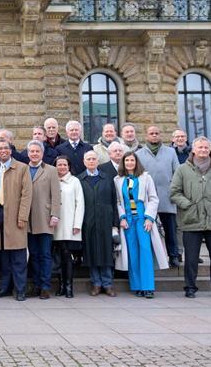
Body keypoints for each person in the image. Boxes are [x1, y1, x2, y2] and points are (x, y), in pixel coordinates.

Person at [170, 136, 211, 299]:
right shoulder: (182, 169)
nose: (203, 150)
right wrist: (188, 205)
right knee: (191, 258)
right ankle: (190, 287)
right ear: (193, 149)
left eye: (206, 148)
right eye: (200, 148)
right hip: (191, 220)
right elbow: (174, 192)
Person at [115, 151, 168, 299]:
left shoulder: (146, 177)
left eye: (132, 160)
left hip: (142, 218)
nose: (130, 163)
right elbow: (118, 202)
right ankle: (137, 286)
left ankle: (148, 286)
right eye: (127, 161)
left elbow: (153, 199)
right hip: (128, 220)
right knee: (132, 252)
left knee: (145, 250)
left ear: (136, 162)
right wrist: (122, 218)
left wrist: (149, 218)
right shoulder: (118, 180)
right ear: (123, 163)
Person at [0, 141, 32, 302]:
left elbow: (27, 195)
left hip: (15, 215)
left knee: (18, 255)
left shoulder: (22, 168)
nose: (3, 151)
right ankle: (5, 288)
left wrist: (22, 217)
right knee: (4, 256)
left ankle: (20, 289)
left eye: (5, 148)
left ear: (11, 151)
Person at [136, 126, 181, 267]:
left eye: (157, 133)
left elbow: (178, 174)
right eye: (151, 133)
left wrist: (175, 191)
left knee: (171, 229)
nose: (154, 135)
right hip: (147, 199)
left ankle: (173, 255)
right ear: (146, 136)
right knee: (147, 229)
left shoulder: (171, 152)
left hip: (167, 196)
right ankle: (150, 256)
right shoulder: (138, 154)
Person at [78, 151, 119, 297]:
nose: (91, 161)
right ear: (84, 161)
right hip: (87, 222)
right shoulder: (79, 180)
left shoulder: (107, 178)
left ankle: (107, 284)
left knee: (106, 253)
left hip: (105, 221)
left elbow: (114, 202)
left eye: (94, 159)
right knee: (91, 253)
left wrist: (115, 223)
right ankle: (96, 283)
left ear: (98, 161)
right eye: (88, 159)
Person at [26, 140, 61, 299]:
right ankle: (36, 284)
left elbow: (56, 195)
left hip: (45, 218)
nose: (34, 154)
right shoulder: (23, 170)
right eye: (31, 151)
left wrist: (55, 214)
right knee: (33, 254)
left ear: (41, 153)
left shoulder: (51, 170)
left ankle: (46, 286)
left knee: (45, 254)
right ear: (28, 153)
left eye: (37, 151)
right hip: (27, 220)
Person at [52, 156, 84, 298]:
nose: (62, 167)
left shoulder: (75, 181)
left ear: (69, 166)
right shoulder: (52, 180)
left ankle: (69, 286)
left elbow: (80, 204)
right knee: (57, 257)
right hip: (54, 225)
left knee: (67, 257)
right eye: (59, 165)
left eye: (65, 164)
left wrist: (77, 224)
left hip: (70, 225)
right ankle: (61, 286)